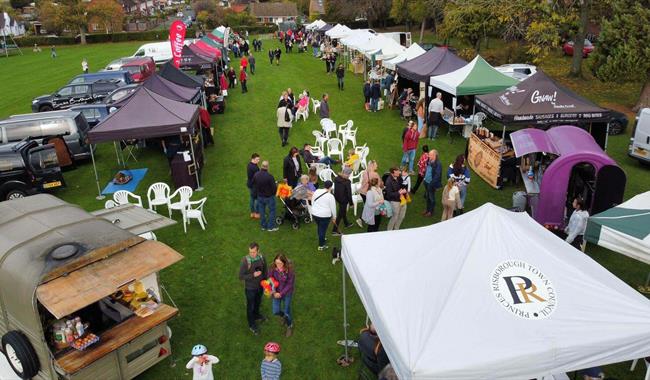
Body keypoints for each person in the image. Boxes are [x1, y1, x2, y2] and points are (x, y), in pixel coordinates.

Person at [239, 242, 268, 335]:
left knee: (258, 302)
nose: (252, 254)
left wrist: (266, 282)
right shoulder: (245, 261)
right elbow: (241, 276)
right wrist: (252, 275)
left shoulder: (262, 258)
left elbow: (265, 270)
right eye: (250, 252)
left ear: (258, 251)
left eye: (254, 252)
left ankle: (256, 315)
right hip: (250, 288)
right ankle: (252, 324)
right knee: (250, 306)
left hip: (260, 286)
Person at [269, 254, 295, 337]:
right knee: (275, 311)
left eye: (280, 263)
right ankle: (284, 317)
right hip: (276, 292)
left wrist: (280, 293)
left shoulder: (290, 271)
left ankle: (289, 325)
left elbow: (290, 285)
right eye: (276, 263)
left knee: (287, 310)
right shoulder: (273, 268)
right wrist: (273, 291)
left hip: (286, 293)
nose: (278, 265)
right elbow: (270, 279)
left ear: (284, 263)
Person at [252, 161, 278, 231]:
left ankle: (263, 226)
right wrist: (274, 193)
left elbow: (253, 185)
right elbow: (274, 188)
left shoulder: (256, 174)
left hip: (260, 196)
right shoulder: (269, 176)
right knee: (272, 211)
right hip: (269, 197)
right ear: (267, 167)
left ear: (261, 166)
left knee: (262, 211)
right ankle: (270, 227)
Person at [311, 180, 336, 251]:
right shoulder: (330, 196)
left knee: (320, 226)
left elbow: (313, 201)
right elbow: (333, 208)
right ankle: (321, 246)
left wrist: (315, 209)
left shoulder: (317, 191)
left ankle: (322, 238)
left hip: (315, 213)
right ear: (330, 187)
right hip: (324, 216)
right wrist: (334, 217)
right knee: (323, 229)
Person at [332, 167, 354, 235]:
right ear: (347, 174)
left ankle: (346, 223)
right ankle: (334, 230)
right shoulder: (347, 182)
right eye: (349, 174)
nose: (350, 175)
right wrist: (351, 203)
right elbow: (349, 194)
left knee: (343, 211)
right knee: (340, 215)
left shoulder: (336, 178)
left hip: (337, 198)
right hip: (344, 200)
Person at [423, 150, 442, 217]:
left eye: (430, 155)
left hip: (431, 184)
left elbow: (437, 175)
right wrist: (424, 178)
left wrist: (431, 184)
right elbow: (427, 169)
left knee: (431, 198)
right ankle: (427, 209)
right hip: (426, 182)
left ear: (434, 156)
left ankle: (431, 211)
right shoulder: (429, 161)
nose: (428, 155)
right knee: (427, 197)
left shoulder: (438, 164)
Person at [247, 153, 261, 219]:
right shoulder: (255, 168)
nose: (259, 160)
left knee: (252, 199)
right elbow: (257, 178)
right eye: (257, 159)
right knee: (258, 199)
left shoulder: (249, 165)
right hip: (255, 186)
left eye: (259, 159)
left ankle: (252, 213)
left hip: (250, 184)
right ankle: (257, 213)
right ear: (253, 159)